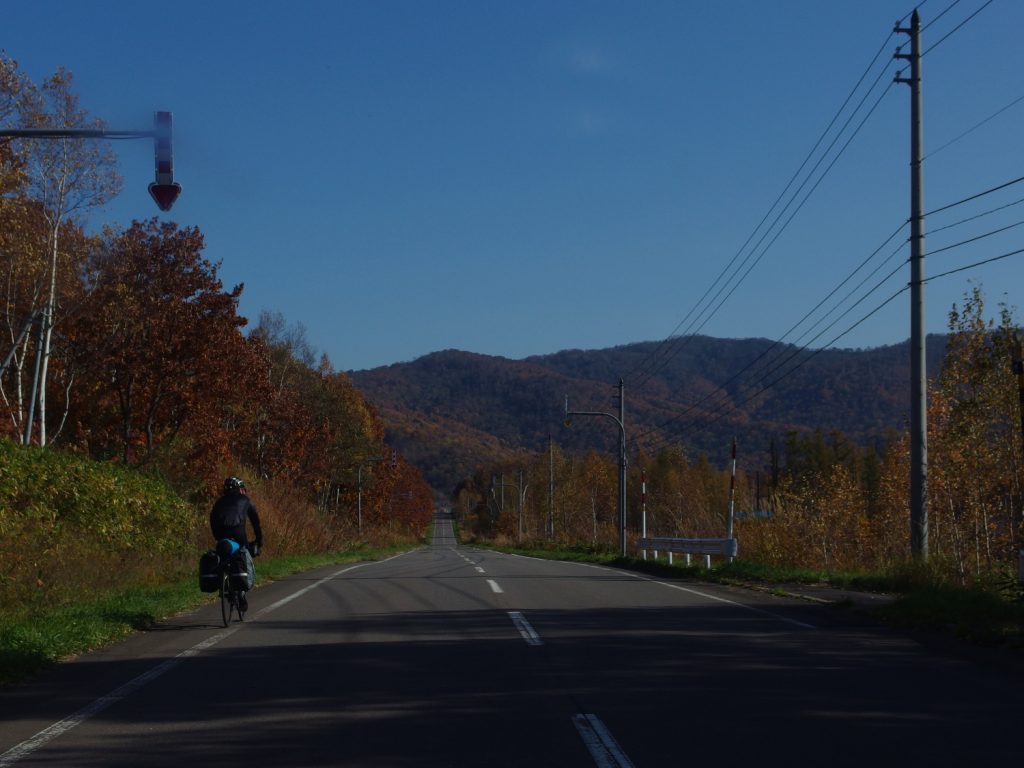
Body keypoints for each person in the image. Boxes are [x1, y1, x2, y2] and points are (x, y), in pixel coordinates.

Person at [210, 476, 263, 611]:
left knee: (224, 557)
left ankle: (224, 581)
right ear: (240, 490)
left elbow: (212, 520)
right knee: (244, 556)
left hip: (221, 539)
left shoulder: (219, 502)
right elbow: (256, 523)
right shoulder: (246, 501)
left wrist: (217, 537)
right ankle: (241, 594)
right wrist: (259, 541)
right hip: (239, 537)